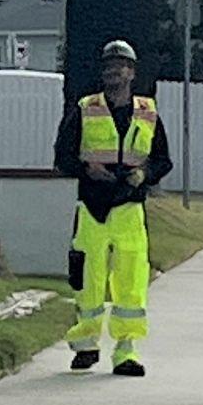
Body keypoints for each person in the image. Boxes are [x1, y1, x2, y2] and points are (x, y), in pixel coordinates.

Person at [53, 39, 172, 377]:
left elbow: (163, 160)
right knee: (87, 281)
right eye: (108, 66)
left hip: (130, 208)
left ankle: (126, 351)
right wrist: (86, 169)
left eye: (121, 66)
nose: (114, 71)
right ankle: (86, 346)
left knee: (130, 283)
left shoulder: (148, 113)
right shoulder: (85, 109)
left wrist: (144, 174)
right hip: (92, 206)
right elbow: (62, 157)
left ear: (132, 73)